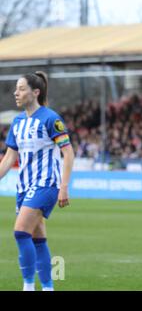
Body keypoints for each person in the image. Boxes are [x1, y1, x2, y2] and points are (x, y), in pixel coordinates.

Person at [0, 71, 74, 291]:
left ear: (35, 92)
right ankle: (48, 288)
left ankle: (28, 287)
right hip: (24, 187)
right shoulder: (18, 121)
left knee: (20, 232)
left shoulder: (51, 118)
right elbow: (9, 159)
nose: (16, 92)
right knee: (37, 238)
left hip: (46, 184)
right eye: (16, 88)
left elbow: (68, 153)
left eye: (21, 89)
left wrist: (64, 187)